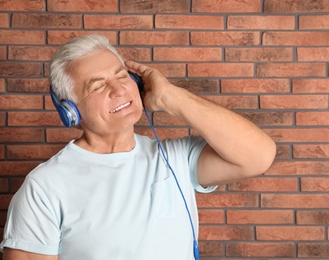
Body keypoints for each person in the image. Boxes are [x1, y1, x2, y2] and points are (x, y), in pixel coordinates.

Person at [0, 34, 276, 260]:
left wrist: (170, 96)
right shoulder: (45, 187)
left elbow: (258, 156)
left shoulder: (174, 158)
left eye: (122, 76)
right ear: (70, 111)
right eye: (98, 86)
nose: (119, 90)